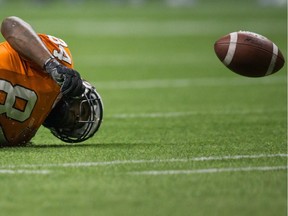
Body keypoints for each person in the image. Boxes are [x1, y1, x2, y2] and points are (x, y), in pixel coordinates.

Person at [0, 16, 103, 146]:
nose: (76, 118)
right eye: (82, 112)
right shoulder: (60, 62)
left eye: (74, 126)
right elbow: (10, 24)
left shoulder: (21, 136)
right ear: (78, 95)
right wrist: (51, 64)